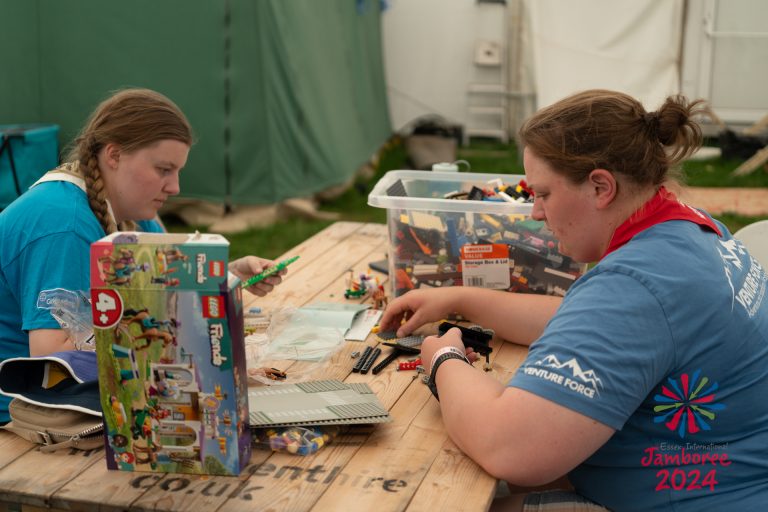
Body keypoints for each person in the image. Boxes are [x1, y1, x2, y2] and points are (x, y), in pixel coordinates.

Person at [379, 90, 768, 511]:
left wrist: (444, 360)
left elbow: (509, 449)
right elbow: (592, 325)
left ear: (601, 186)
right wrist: (460, 298)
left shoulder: (636, 286)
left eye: (543, 194)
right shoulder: (688, 229)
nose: (534, 213)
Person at [0, 88, 285, 422]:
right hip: (29, 411)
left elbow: (164, 289)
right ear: (114, 155)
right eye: (164, 169)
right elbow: (51, 360)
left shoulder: (135, 208)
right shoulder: (64, 225)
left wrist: (230, 274)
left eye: (177, 171)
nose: (175, 187)